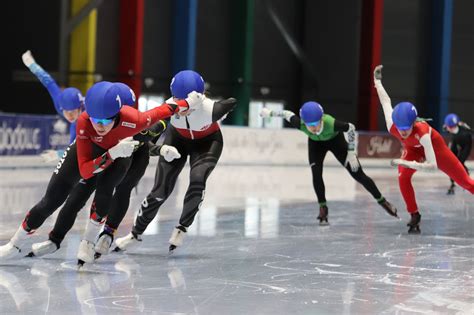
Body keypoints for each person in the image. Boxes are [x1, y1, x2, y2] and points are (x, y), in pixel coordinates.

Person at [0, 80, 199, 261]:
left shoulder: (135, 121)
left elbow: (164, 111)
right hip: (99, 155)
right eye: (95, 119)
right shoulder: (85, 122)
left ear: (119, 113)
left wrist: (189, 103)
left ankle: (89, 241)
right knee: (53, 200)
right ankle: (15, 245)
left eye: (105, 121)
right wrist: (111, 153)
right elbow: (86, 171)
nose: (99, 126)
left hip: (120, 157)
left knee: (109, 191)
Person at [114, 70, 237, 253]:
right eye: (177, 100)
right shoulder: (169, 108)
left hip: (208, 143)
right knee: (160, 191)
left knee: (197, 179)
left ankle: (182, 227)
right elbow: (148, 144)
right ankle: (135, 233)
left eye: (186, 102)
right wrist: (140, 143)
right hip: (177, 140)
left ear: (200, 96)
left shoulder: (211, 109)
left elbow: (232, 101)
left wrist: (221, 112)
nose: (181, 106)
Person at [258, 102, 398, 225]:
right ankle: (323, 208)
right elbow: (287, 113)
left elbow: (350, 127)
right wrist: (270, 113)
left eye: (316, 123)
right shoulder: (300, 123)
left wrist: (350, 152)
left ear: (321, 119)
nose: (313, 128)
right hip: (315, 145)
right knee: (316, 174)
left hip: (336, 142)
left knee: (358, 175)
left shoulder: (331, 123)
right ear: (304, 122)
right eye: (309, 125)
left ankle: (382, 201)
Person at [373, 65, 474, 233]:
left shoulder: (423, 131)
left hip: (436, 150)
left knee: (465, 182)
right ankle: (414, 214)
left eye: (406, 128)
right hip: (413, 150)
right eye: (400, 128)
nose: (403, 132)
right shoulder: (392, 124)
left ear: (414, 123)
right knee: (403, 177)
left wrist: (405, 162)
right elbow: (385, 101)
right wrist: (377, 81)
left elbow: (432, 166)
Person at [22, 50, 83, 161]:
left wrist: (59, 154)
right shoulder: (59, 101)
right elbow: (47, 81)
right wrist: (31, 64)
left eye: (73, 112)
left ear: (80, 108)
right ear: (62, 108)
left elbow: (76, 152)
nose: (69, 116)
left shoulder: (88, 114)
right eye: (66, 112)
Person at [443, 114, 472, 195]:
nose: (450, 129)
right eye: (449, 127)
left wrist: (467, 128)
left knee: (460, 162)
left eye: (452, 127)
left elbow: (471, 131)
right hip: (456, 141)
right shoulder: (447, 126)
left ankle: (467, 179)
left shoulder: (464, 128)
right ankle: (452, 183)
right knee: (451, 162)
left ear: (457, 125)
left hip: (466, 144)